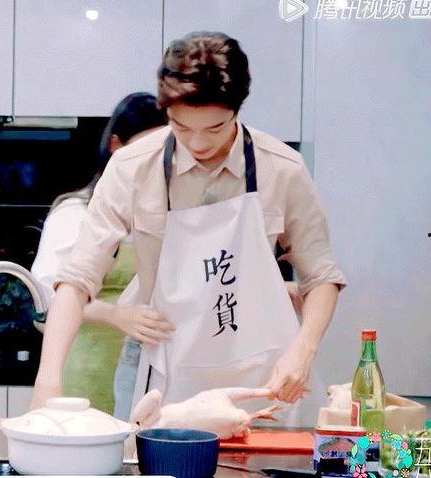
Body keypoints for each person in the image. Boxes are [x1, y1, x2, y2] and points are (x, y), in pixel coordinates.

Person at [31, 32, 346, 425]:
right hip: (166, 370)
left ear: (237, 110)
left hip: (262, 373)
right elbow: (77, 280)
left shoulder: (281, 168)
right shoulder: (133, 167)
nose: (197, 143)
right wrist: (48, 380)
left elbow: (321, 276)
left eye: (214, 129)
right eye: (181, 127)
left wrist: (303, 350)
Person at [30, 93, 173, 411]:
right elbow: (48, 296)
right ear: (116, 146)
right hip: (88, 364)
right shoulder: (75, 212)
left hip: (147, 370)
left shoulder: (166, 216)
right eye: (143, 148)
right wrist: (116, 315)